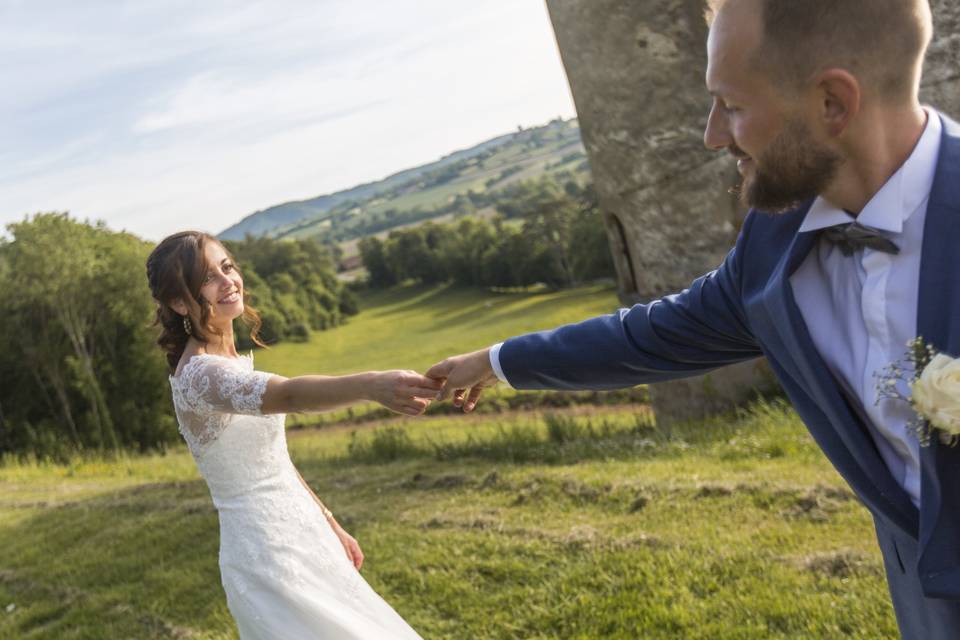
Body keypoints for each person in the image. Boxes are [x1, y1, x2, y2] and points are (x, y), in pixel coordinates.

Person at [426, 0, 960, 637]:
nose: (712, 134)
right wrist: (497, 361)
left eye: (732, 105)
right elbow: (651, 334)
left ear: (831, 104)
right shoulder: (771, 248)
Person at [146, 231, 438, 639]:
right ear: (179, 302)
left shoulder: (226, 361)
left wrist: (328, 521)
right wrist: (370, 384)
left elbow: (273, 462)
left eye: (227, 266)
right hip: (268, 555)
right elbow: (290, 393)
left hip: (303, 531)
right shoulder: (201, 375)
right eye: (207, 278)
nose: (228, 280)